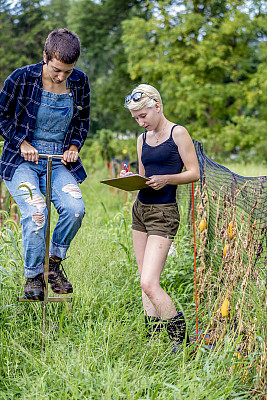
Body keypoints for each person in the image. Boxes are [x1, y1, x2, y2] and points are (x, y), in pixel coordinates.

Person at [0, 28, 90, 300]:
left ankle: (52, 265)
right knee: (37, 210)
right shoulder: (21, 78)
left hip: (58, 160)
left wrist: (74, 147)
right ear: (45, 57)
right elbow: (1, 115)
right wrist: (21, 142)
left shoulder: (80, 82)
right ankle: (33, 277)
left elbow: (82, 122)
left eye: (68, 71)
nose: (62, 76)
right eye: (56, 70)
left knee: (75, 209)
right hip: (21, 160)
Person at [121, 84, 200, 352]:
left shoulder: (178, 133)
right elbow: (143, 177)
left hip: (164, 213)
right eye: (136, 118)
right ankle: (153, 339)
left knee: (149, 282)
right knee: (143, 278)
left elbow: (194, 172)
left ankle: (182, 343)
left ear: (157, 106)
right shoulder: (141, 139)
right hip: (141, 210)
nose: (141, 122)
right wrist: (129, 180)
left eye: (143, 116)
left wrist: (167, 178)